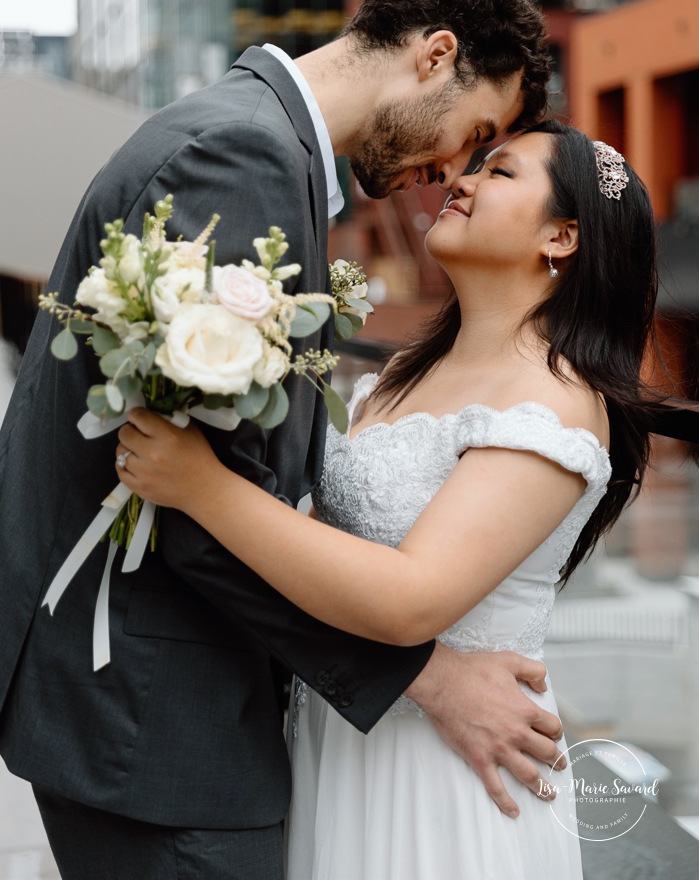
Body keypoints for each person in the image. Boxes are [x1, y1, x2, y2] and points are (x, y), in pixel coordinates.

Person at [0, 0, 562, 880]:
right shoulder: (246, 156)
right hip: (159, 727)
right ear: (434, 55)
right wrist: (426, 679)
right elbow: (196, 503)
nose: (451, 169)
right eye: (477, 131)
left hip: (145, 711)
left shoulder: (254, 138)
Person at [116, 120, 659, 879]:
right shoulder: (402, 371)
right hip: (333, 736)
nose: (461, 181)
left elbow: (410, 599)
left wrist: (203, 487)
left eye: (498, 173)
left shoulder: (554, 400)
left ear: (561, 238)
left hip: (445, 775)